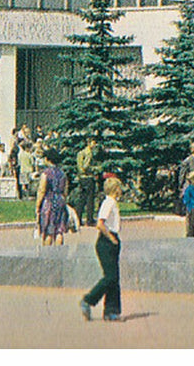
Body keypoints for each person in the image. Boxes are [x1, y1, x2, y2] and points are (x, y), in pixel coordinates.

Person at [80, 176, 124, 322]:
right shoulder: (108, 203)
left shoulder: (112, 203)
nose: (121, 190)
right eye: (119, 187)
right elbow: (100, 224)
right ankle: (88, 300)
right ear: (115, 189)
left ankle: (111, 311)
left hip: (112, 239)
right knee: (110, 277)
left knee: (114, 278)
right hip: (106, 241)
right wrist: (111, 238)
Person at [35, 149, 69, 246]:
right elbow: (65, 190)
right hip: (60, 201)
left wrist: (38, 205)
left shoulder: (46, 173)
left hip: (49, 202)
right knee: (59, 230)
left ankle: (47, 252)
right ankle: (59, 251)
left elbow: (42, 190)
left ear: (47, 159)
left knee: (48, 231)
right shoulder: (63, 174)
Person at [75, 138, 98, 226]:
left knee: (82, 199)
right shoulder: (89, 153)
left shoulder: (81, 153)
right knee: (89, 199)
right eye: (93, 143)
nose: (94, 145)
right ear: (89, 143)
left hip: (82, 178)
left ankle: (78, 218)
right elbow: (86, 166)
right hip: (88, 177)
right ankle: (89, 219)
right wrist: (95, 169)